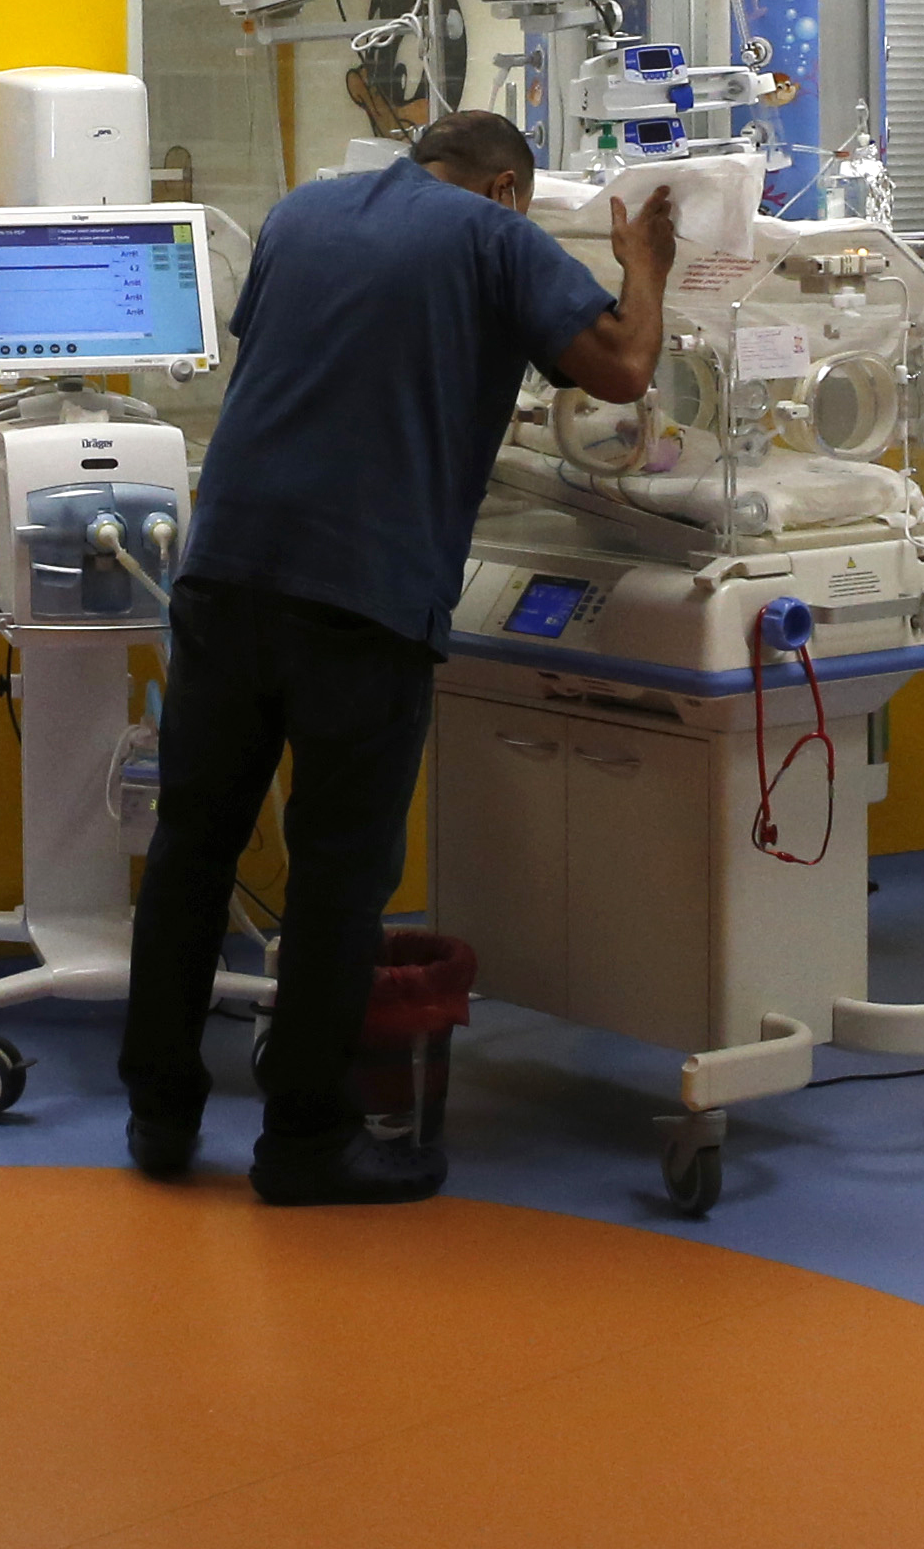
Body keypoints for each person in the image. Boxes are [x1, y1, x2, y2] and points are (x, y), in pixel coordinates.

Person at [123, 110, 675, 1208]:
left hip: (226, 569)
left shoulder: (302, 210)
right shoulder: (494, 238)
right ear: (509, 188)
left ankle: (161, 1111)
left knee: (194, 844)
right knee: (338, 872)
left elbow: (323, 358)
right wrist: (642, 267)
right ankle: (305, 1144)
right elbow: (619, 367)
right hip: (361, 593)